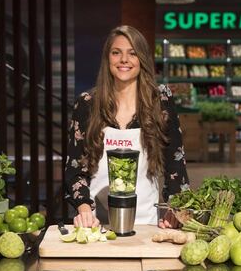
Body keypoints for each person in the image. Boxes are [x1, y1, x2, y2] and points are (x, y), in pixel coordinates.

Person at [65, 25, 189, 229]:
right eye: (116, 53)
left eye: (132, 53)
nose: (124, 60)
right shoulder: (87, 103)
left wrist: (174, 209)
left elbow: (175, 164)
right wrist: (84, 210)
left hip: (146, 224)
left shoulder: (160, 100)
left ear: (142, 59)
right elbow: (75, 168)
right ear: (108, 59)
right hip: (96, 224)